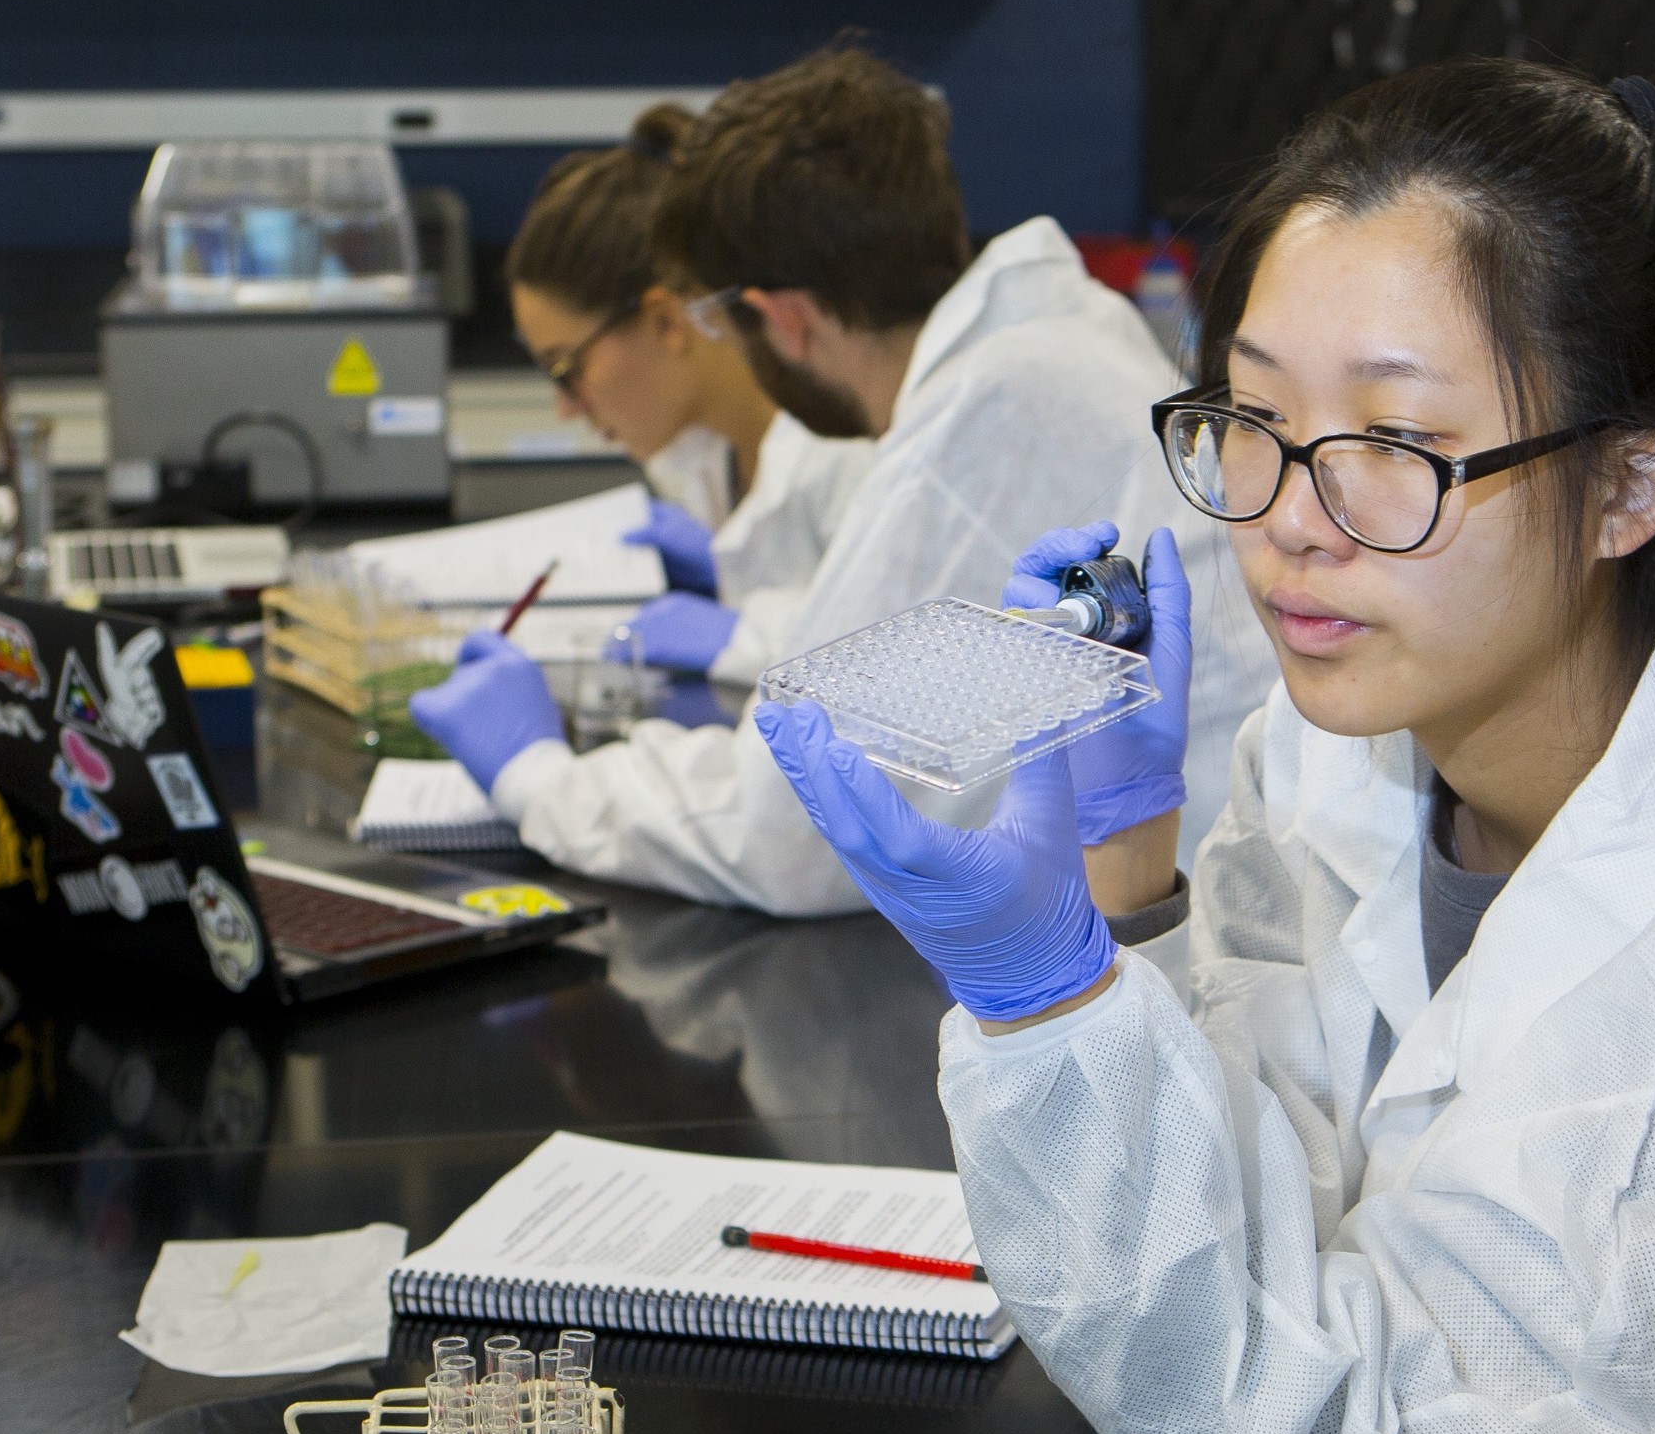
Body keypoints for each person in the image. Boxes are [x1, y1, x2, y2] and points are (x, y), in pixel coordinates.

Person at [754, 59, 1655, 1434]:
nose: (1291, 525)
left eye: (1392, 440)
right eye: (1254, 421)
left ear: (1630, 484)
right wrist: (1129, 893)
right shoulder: (1338, 757)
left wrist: (1051, 1002)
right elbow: (1254, 1244)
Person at [412, 45, 1274, 912]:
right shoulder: (1042, 338)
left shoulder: (988, 414)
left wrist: (538, 779)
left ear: (780, 318)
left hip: (1188, 948)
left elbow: (789, 836)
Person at [505, 102, 876, 686]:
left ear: (663, 323)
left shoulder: (846, 454)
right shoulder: (692, 463)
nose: (565, 407)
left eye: (565, 368)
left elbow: (899, 671)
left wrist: (752, 636)